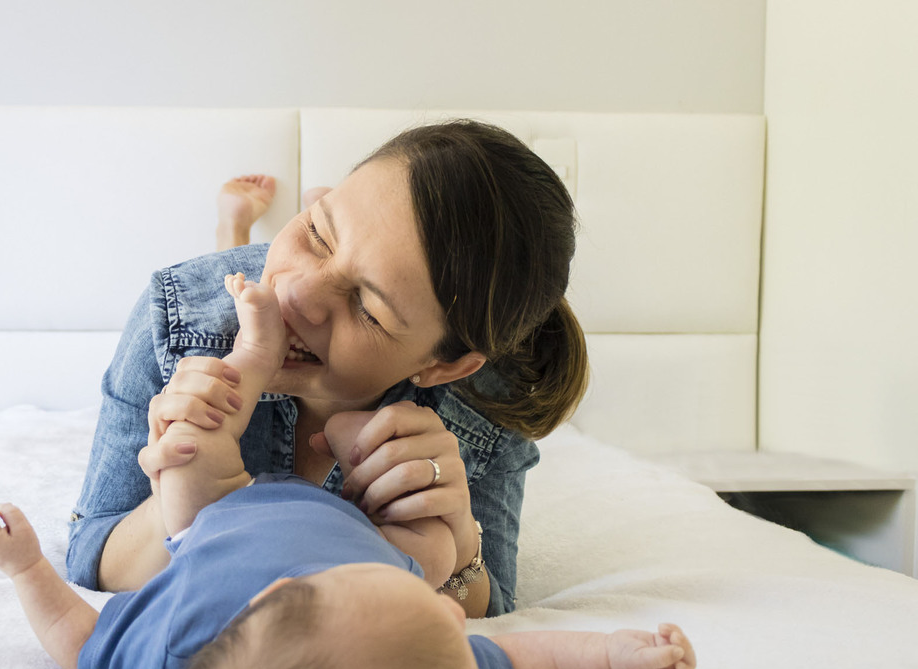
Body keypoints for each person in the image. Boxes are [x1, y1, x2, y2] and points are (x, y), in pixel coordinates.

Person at [0, 274, 697, 669]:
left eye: (427, 614)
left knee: (193, 444)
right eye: (448, 627)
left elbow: (75, 635)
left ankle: (252, 353)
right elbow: (534, 663)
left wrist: (23, 566)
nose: (451, 617)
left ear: (277, 597)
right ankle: (343, 417)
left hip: (222, 512)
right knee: (431, 547)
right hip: (366, 523)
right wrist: (613, 654)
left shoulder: (178, 650)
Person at [68, 119, 590, 618]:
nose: (294, 293)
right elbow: (90, 555)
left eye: (368, 307)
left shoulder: (492, 396)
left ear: (444, 366)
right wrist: (181, 500)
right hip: (221, 292)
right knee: (240, 293)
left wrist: (456, 552)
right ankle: (236, 227)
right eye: (318, 232)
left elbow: (493, 606)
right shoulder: (179, 313)